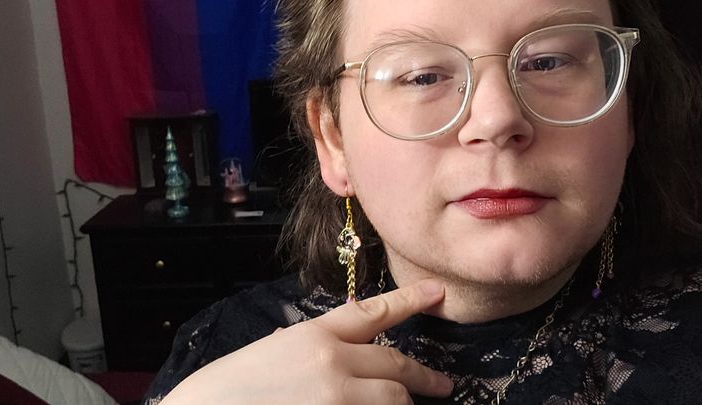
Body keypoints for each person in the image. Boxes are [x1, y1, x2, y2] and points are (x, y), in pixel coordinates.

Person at [144, 0, 702, 403]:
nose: (497, 119)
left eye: (549, 61)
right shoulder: (220, 357)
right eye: (422, 76)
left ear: (628, 113)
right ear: (333, 140)